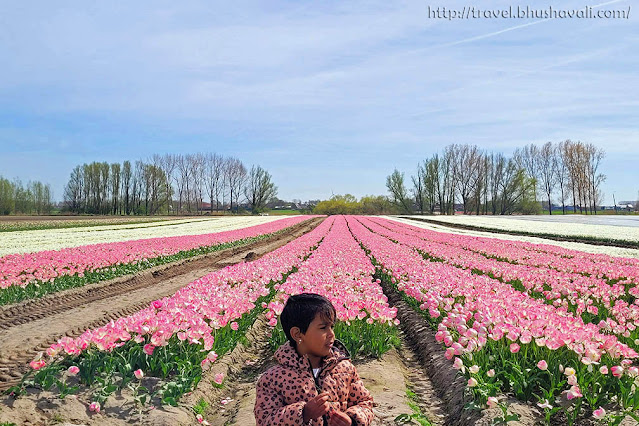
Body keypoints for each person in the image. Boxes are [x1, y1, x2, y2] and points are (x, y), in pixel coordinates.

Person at [254, 293, 374, 426]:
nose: (331, 334)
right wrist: (304, 413)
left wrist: (352, 421)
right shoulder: (274, 379)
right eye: (323, 328)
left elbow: (365, 403)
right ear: (297, 334)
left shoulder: (345, 369)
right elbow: (265, 420)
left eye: (331, 327)